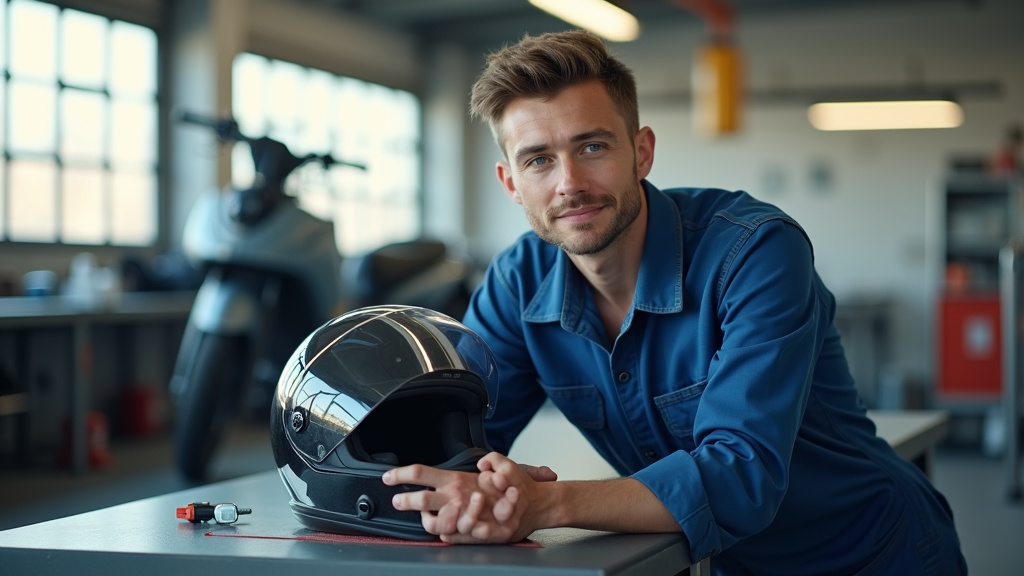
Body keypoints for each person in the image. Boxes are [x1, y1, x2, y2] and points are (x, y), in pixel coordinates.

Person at [383, 29, 968, 575]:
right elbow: (453, 441)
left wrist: (544, 502)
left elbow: (742, 476)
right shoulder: (517, 283)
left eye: (592, 146)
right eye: (538, 159)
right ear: (511, 183)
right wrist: (473, 490)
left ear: (642, 152)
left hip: (869, 553)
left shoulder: (755, 252)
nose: (569, 183)